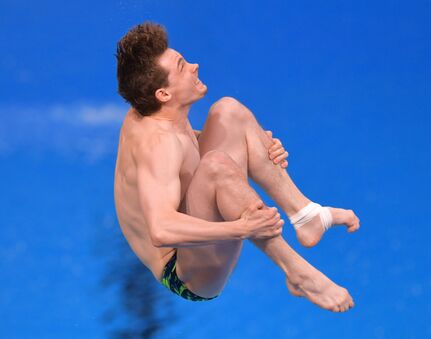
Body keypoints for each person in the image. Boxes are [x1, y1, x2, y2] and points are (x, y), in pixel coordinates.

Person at [113, 22, 360, 312]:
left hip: (194, 218)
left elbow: (185, 147)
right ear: (163, 94)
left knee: (229, 111)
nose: (194, 65)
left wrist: (253, 141)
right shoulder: (157, 144)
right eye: (182, 66)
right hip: (185, 271)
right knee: (216, 166)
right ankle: (297, 273)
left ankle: (306, 214)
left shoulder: (151, 112)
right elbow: (161, 229)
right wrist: (240, 228)